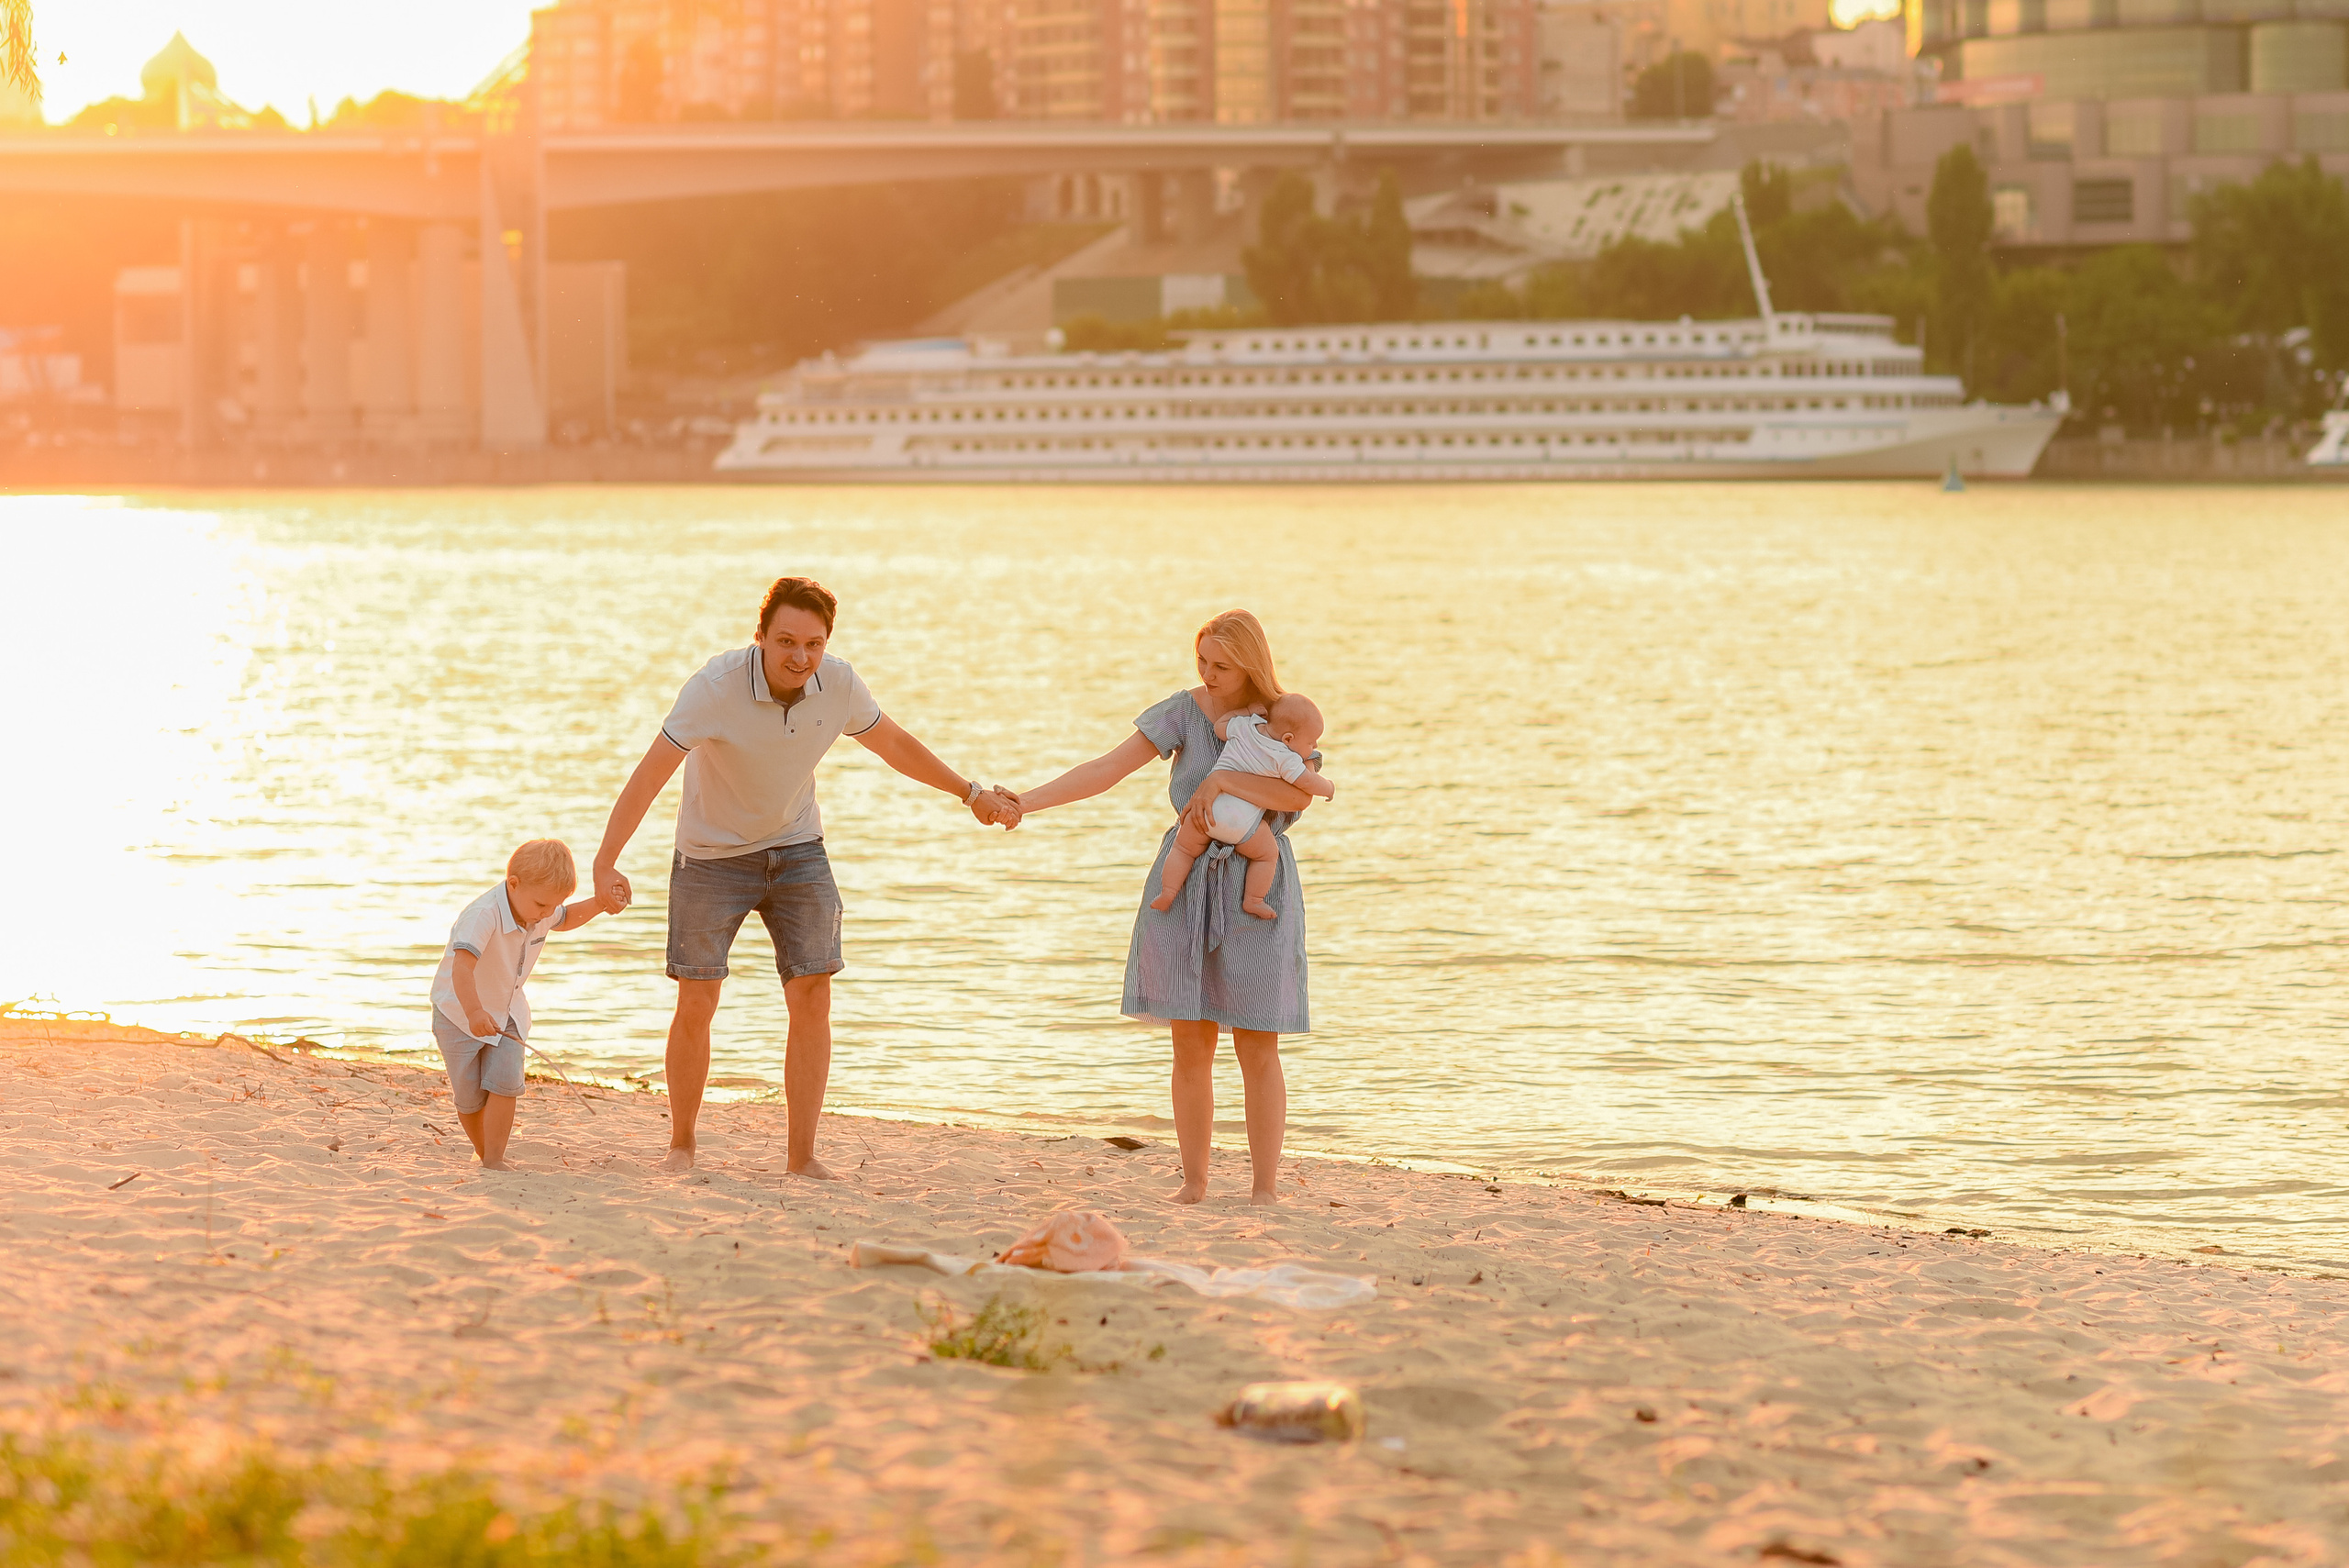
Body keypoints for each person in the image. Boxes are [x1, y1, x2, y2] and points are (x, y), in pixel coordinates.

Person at [590, 576, 1017, 1176]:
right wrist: (607, 859)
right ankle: (681, 1144)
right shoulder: (714, 688)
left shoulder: (837, 683)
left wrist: (969, 792)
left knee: (815, 991)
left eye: (813, 644)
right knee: (697, 998)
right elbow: (650, 774)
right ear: (760, 637)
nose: (801, 656)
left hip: (796, 847)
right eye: (787, 641)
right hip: (710, 855)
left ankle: (802, 1156)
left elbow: (893, 742)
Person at [1006, 610, 1324, 1205]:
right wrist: (1026, 800)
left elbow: (1298, 790)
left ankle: (1264, 1190)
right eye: (1201, 660)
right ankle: (1195, 1182)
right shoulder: (1183, 710)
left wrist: (1222, 784)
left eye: (1221, 665)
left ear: (1251, 663)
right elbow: (1106, 768)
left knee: (1258, 1043)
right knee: (1190, 1039)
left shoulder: (1285, 717)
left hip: (1259, 885)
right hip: (1187, 879)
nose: (1207, 674)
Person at [429, 839, 611, 1172]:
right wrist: (474, 1013)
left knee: (505, 1083)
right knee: (469, 1099)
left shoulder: (540, 909)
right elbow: (462, 968)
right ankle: (485, 1152)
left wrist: (600, 903)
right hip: (458, 1013)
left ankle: (495, 1158)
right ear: (513, 884)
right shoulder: (484, 915)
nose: (546, 915)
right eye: (542, 905)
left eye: (551, 907)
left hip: (508, 1011)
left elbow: (566, 917)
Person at [1151, 692, 1330, 920]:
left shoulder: (1246, 726)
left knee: (1182, 850)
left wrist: (1244, 713)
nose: (1314, 746)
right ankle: (1254, 899)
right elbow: (1307, 784)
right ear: (1288, 739)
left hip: (1207, 810)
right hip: (1243, 824)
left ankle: (1168, 891)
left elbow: (1220, 728)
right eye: (1311, 742)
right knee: (1266, 855)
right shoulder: (1287, 758)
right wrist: (1329, 788)